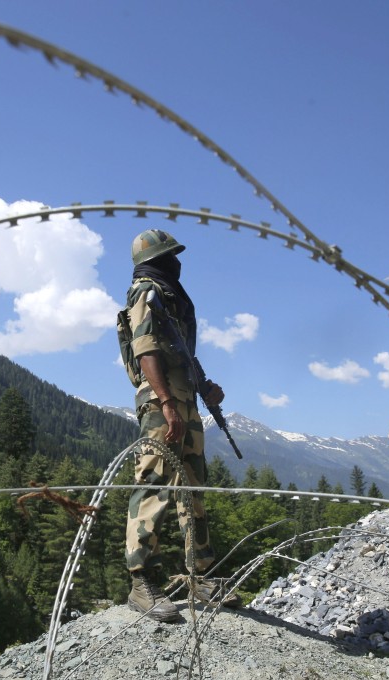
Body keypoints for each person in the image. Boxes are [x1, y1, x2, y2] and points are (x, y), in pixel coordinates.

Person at [120, 228, 241, 622]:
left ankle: (200, 575)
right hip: (162, 402)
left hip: (182, 398)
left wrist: (203, 387)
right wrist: (168, 403)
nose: (179, 261)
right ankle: (142, 581)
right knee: (154, 482)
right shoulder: (145, 291)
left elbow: (181, 352)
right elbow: (147, 350)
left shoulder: (168, 295)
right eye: (172, 255)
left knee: (192, 484)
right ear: (157, 259)